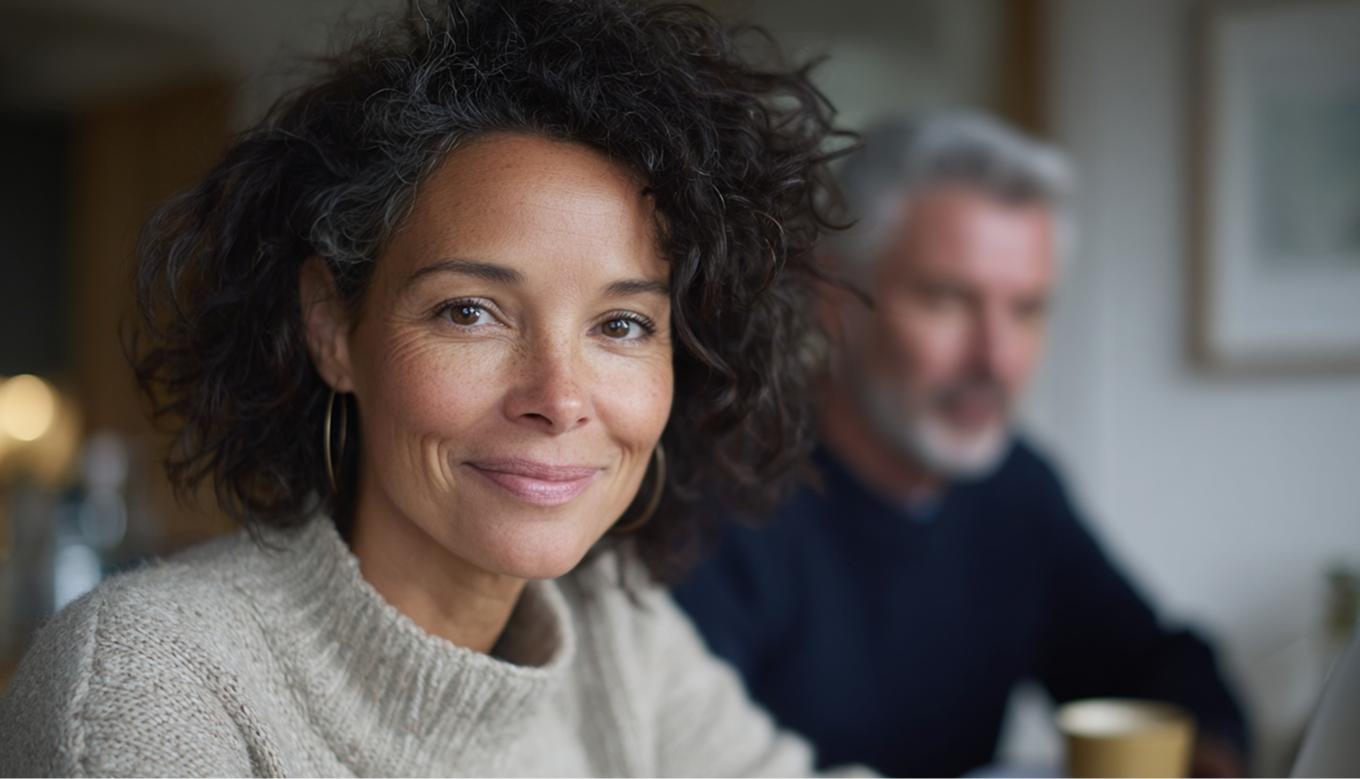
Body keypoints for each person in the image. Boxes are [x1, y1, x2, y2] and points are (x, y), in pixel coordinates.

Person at [0, 2, 881, 776]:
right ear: (332, 328)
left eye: (621, 325)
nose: (559, 396)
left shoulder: (618, 636)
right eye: (471, 311)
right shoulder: (149, 677)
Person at [672, 113, 1251, 779]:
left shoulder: (1014, 488)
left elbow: (1146, 665)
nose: (997, 358)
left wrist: (1209, 747)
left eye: (1027, 309)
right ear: (835, 299)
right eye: (948, 300)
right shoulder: (720, 496)